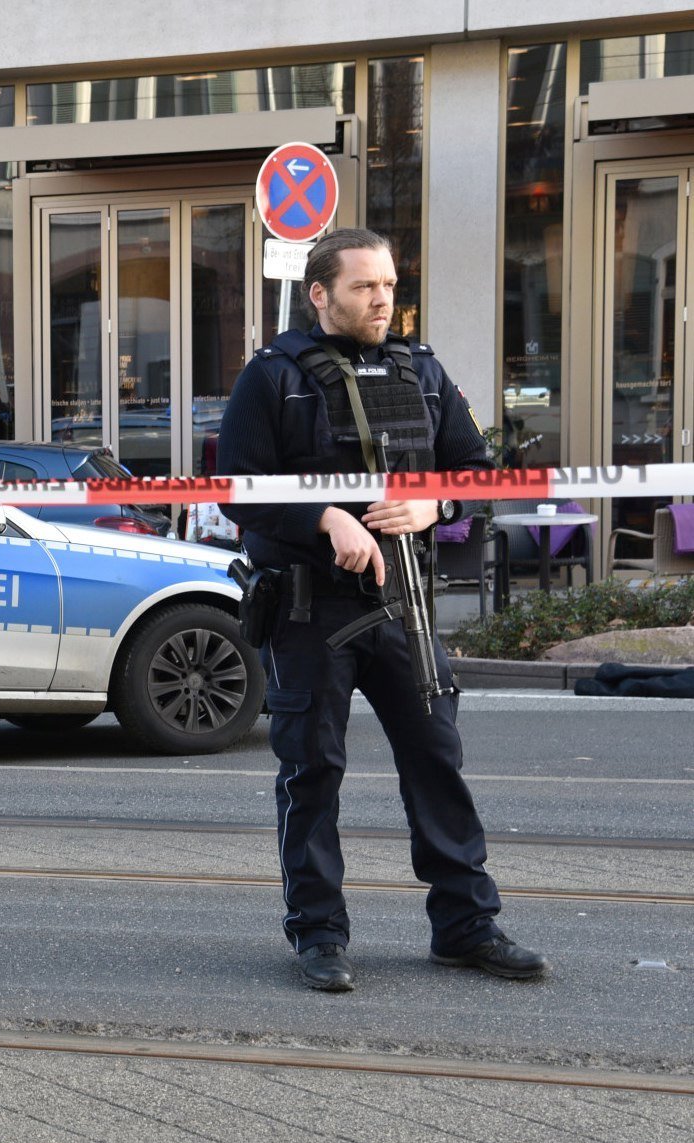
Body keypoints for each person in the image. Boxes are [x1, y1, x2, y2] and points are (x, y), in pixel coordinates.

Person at [215, 227, 548, 993]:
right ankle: (320, 934)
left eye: (390, 284)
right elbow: (236, 487)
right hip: (308, 612)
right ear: (320, 293)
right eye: (366, 286)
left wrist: (435, 504)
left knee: (438, 763)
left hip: (404, 605)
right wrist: (323, 518)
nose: (383, 298)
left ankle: (465, 926)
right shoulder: (272, 377)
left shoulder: (420, 369)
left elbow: (474, 470)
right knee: (313, 772)